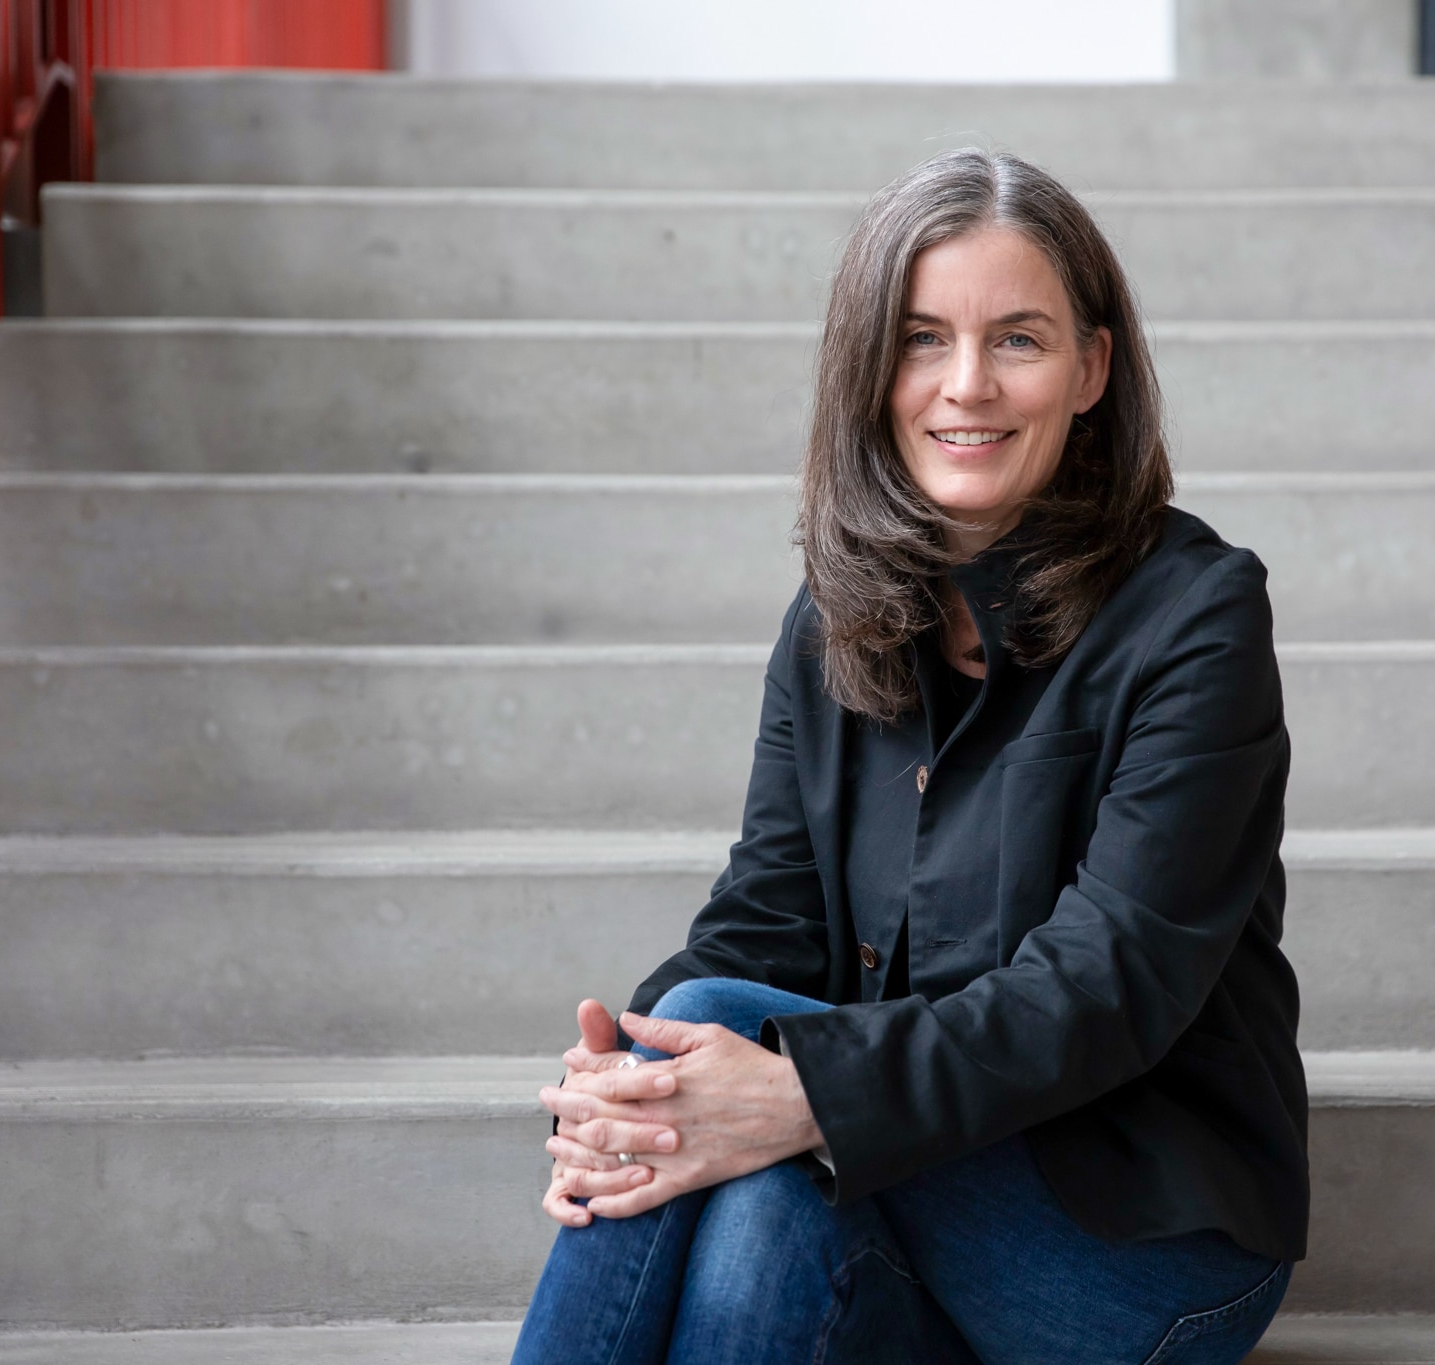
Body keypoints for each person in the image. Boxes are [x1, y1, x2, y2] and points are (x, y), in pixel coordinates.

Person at [511, 148, 1308, 1365]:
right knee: (744, 1175)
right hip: (892, 1177)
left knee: (736, 1075)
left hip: (1136, 1244)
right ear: (869, 370)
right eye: (921, 340)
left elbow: (1108, 984)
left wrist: (799, 1092)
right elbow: (764, 921)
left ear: (1090, 369)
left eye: (1017, 340)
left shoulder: (1194, 616)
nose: (966, 385)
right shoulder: (833, 620)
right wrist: (622, 1078)